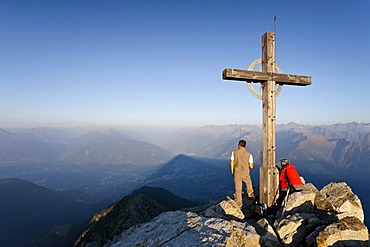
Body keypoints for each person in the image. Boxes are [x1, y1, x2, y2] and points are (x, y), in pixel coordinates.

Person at [230, 140, 254, 208]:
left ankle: (239, 203)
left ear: (239, 145)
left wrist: (232, 170)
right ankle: (250, 194)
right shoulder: (249, 154)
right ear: (245, 145)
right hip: (245, 172)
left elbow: (232, 161)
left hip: (237, 172)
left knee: (238, 189)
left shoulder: (234, 152)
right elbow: (251, 166)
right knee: (248, 183)